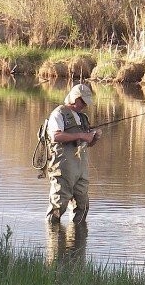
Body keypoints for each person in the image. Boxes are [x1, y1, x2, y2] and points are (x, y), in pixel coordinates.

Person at [44, 83, 102, 225]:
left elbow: (87, 143)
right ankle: (54, 241)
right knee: (58, 206)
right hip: (63, 168)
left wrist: (93, 138)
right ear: (75, 98)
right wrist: (82, 135)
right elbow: (55, 137)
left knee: (82, 207)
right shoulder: (58, 113)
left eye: (86, 102)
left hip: (81, 170)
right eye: (82, 101)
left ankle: (78, 244)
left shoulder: (83, 118)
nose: (84, 105)